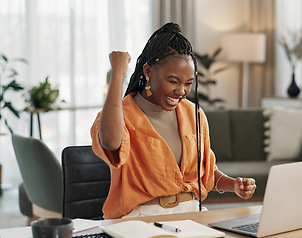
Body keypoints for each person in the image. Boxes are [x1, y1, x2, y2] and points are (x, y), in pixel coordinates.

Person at [90, 22, 256, 219]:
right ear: (148, 72)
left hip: (192, 214)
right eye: (173, 81)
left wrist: (234, 185)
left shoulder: (194, 114)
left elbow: (206, 173)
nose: (181, 91)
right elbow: (110, 142)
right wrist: (117, 75)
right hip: (141, 218)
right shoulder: (123, 115)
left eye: (188, 83)